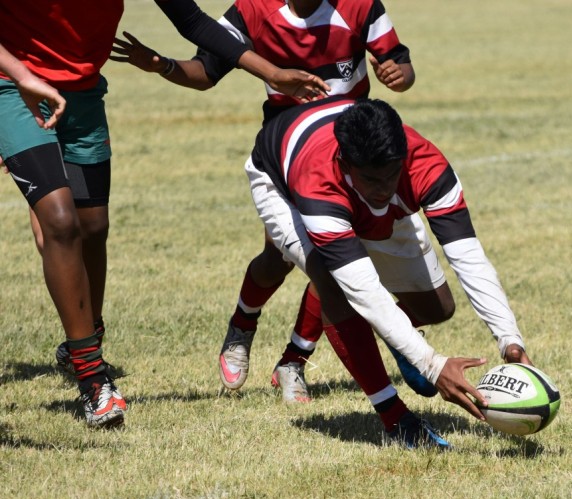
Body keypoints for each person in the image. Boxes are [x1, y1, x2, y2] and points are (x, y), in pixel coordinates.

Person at [0, 0, 327, 428]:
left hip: (82, 95)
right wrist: (22, 75)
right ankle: (93, 377)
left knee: (93, 227)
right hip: (13, 88)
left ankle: (83, 339)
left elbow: (192, 21)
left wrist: (271, 73)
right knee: (60, 222)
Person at [110, 0, 418, 402]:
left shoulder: (359, 7)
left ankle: (293, 361)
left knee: (342, 260)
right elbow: (205, 71)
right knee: (277, 258)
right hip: (288, 156)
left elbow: (398, 61)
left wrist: (401, 75)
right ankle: (242, 325)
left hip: (351, 158)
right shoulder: (252, 11)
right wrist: (162, 64)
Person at [244, 96, 531, 448]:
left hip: (340, 167)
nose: (383, 189)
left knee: (437, 307)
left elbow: (468, 256)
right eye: (371, 179)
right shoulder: (320, 185)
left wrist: (510, 339)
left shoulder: (426, 164)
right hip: (280, 181)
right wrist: (432, 365)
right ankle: (395, 418)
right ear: (345, 163)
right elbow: (365, 291)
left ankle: (391, 341)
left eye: (392, 175)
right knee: (331, 281)